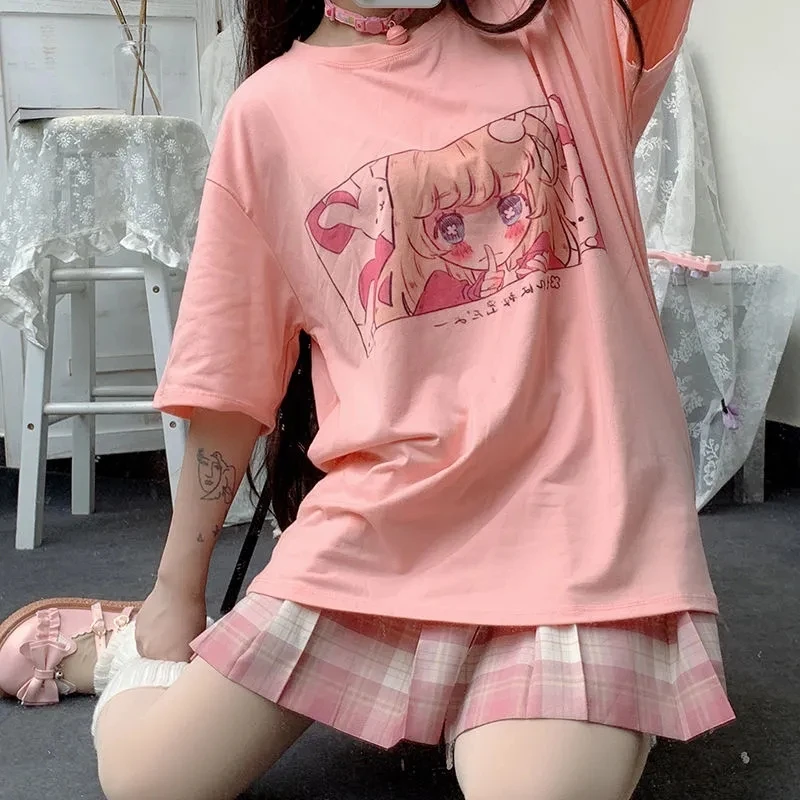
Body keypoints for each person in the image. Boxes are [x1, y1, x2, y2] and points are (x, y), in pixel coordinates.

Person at [0, 1, 735, 798]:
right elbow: (230, 379)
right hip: (381, 532)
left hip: (585, 543)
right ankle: (126, 647)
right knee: (150, 783)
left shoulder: (570, 25)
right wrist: (176, 595)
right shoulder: (269, 114)